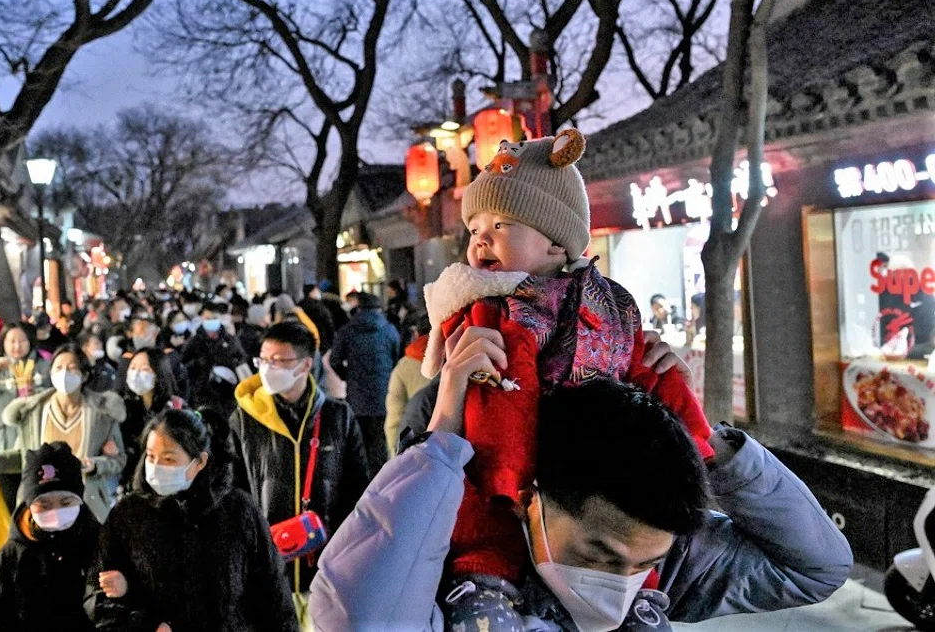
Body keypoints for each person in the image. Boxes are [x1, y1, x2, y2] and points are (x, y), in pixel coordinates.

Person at [410, 129, 713, 624]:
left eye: (501, 224)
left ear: (556, 245)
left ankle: (642, 597)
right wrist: (483, 447)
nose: (481, 238)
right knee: (486, 526)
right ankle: (485, 584)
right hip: (504, 465)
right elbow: (489, 405)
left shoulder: (613, 304)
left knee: (627, 530)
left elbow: (648, 374)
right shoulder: (491, 313)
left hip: (603, 471)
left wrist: (694, 441)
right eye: (475, 228)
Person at [309, 360, 854, 630]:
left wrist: (712, 448)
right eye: (598, 555)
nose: (617, 589)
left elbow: (817, 568)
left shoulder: (662, 572)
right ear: (531, 498)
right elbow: (359, 620)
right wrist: (443, 444)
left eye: (644, 563)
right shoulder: (449, 580)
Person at [89, 407, 297, 631]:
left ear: (199, 462)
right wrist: (146, 625)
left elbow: (272, 596)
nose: (156, 466)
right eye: (150, 456)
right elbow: (99, 600)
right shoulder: (127, 515)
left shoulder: (239, 511)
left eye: (169, 459)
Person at [231, 321, 371, 617]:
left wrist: (346, 556)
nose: (268, 368)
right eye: (264, 360)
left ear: (306, 364)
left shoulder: (338, 417)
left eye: (279, 361)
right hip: (266, 571)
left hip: (325, 569)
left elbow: (357, 492)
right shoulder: (244, 421)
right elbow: (233, 492)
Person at [0, 442, 100, 632]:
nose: (56, 511)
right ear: (29, 505)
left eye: (65, 501)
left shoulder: (100, 545)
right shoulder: (12, 556)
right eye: (44, 504)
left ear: (80, 500)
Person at [0, 344, 126, 523]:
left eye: (72, 368)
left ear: (85, 375)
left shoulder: (102, 414)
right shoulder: (34, 411)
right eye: (58, 368)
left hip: (86, 505)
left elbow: (119, 460)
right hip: (40, 506)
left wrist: (96, 465)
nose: (64, 373)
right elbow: (25, 458)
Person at [0, 323, 52, 509]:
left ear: (30, 341)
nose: (16, 346)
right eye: (11, 341)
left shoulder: (44, 368)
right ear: (3, 343)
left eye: (21, 340)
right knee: (3, 508)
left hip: (33, 449)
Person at [329, 291, 400, 472]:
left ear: (358, 308)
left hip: (356, 394)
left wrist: (348, 376)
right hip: (383, 393)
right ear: (379, 309)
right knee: (380, 441)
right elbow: (396, 358)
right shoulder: (390, 330)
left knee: (358, 440)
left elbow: (335, 360)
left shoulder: (346, 331)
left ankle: (362, 481)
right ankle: (380, 478)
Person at [116, 348, 185, 491]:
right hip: (130, 485)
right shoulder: (122, 408)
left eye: (144, 369)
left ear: (159, 372)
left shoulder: (174, 408)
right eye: (133, 368)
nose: (136, 374)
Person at [181, 301, 250, 420]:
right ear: (202, 318)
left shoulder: (230, 340)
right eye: (207, 318)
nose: (211, 321)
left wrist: (233, 364)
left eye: (214, 318)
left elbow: (242, 359)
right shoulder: (194, 342)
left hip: (228, 394)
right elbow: (183, 366)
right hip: (203, 394)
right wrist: (197, 364)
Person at [385, 314, 432, 458]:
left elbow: (395, 415)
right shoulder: (456, 360)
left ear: (416, 333)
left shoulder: (404, 367)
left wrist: (395, 451)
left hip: (415, 445)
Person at [298, 285, 336, 355]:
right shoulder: (320, 307)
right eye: (316, 291)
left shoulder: (299, 306)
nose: (319, 293)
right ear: (311, 293)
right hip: (322, 341)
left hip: (305, 342)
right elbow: (329, 325)